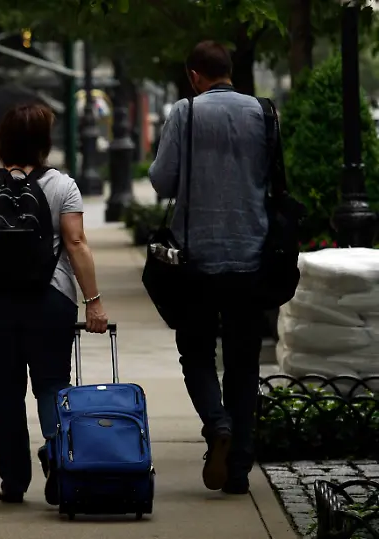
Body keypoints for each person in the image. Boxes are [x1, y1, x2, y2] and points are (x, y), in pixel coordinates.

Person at [0, 103, 108, 504]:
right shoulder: (62, 186)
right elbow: (76, 244)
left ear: (4, 143)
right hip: (50, 299)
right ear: (44, 144)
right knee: (52, 386)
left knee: (5, 393)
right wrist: (93, 303)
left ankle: (13, 481)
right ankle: (59, 460)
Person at [148, 40, 269, 496]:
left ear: (194, 76)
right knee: (243, 361)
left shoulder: (186, 112)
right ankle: (238, 471)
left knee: (196, 352)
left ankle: (217, 423)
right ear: (230, 72)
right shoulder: (264, 113)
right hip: (252, 254)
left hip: (194, 257)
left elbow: (161, 180)